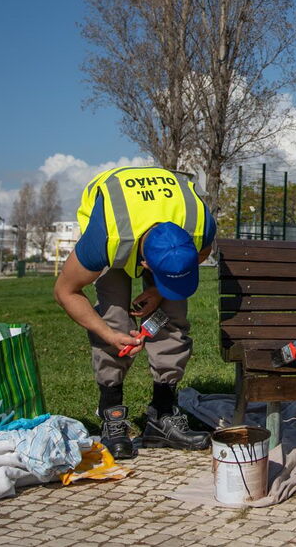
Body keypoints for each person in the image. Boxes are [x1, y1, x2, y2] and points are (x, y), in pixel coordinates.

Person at [54, 166, 216, 459]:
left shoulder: (200, 226)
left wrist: (157, 292)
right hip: (114, 220)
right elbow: (65, 292)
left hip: (162, 222)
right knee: (114, 318)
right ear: (145, 265)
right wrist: (106, 333)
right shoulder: (104, 239)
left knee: (172, 317)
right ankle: (111, 415)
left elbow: (201, 254)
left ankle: (162, 415)